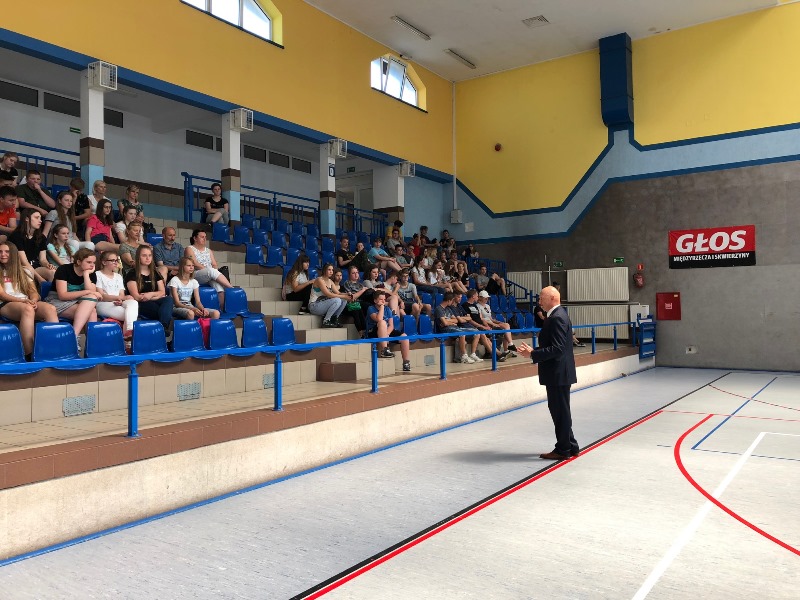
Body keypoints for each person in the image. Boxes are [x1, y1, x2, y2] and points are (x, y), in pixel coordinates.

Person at [517, 286, 579, 460]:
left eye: (541, 298)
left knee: (559, 411)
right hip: (559, 372)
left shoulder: (556, 318)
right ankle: (571, 445)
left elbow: (557, 349)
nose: (539, 302)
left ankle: (563, 449)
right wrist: (534, 352)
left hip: (557, 373)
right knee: (561, 410)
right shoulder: (558, 315)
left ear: (552, 298)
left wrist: (533, 354)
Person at [0, 241, 58, 358]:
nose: (3, 254)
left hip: (26, 302)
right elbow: (2, 295)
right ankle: (28, 354)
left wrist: (34, 300)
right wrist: (23, 301)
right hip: (6, 304)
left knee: (50, 308)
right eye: (0, 252)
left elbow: (33, 292)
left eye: (7, 252)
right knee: (28, 309)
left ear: (13, 254)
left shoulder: (25, 271)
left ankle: (53, 349)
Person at [45, 248, 101, 350]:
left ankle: (75, 336)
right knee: (91, 311)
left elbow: (92, 294)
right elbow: (62, 295)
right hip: (57, 301)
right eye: (89, 262)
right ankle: (92, 345)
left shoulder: (91, 273)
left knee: (92, 308)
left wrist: (86, 275)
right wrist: (86, 292)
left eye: (94, 262)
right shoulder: (64, 270)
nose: (92, 265)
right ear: (79, 262)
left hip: (76, 302)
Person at [125, 245, 174, 331]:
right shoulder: (132, 274)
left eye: (150, 255)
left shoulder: (155, 273)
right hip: (140, 303)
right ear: (138, 257)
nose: (147, 258)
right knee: (162, 310)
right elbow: (137, 297)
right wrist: (156, 296)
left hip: (153, 299)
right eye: (144, 255)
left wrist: (150, 295)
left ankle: (163, 327)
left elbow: (162, 292)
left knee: (169, 299)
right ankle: (163, 328)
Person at [184, 229, 234, 307]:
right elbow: (194, 264)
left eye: (205, 237)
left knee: (220, 289)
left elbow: (214, 264)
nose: (204, 239)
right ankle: (231, 288)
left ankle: (221, 309)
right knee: (211, 271)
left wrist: (214, 273)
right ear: (195, 238)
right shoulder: (189, 249)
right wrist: (209, 270)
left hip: (210, 275)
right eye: (202, 237)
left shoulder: (208, 251)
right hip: (195, 274)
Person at [94, 250, 138, 338]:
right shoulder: (97, 274)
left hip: (118, 301)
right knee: (129, 314)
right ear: (104, 262)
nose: (116, 263)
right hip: (103, 304)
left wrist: (121, 300)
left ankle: (128, 331)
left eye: (116, 260)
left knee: (133, 303)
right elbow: (102, 296)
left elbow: (121, 294)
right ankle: (129, 333)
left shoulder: (118, 276)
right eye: (112, 260)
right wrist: (119, 298)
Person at [366, 290, 411, 371]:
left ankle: (406, 362)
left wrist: (387, 334)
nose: (383, 301)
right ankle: (385, 349)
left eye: (384, 299)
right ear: (375, 300)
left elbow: (391, 325)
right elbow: (379, 319)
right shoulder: (371, 308)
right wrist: (382, 307)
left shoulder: (388, 309)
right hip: (373, 331)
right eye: (381, 299)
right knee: (382, 322)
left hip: (385, 332)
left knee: (404, 337)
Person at [9, 209, 54, 283]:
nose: (40, 221)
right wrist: (40, 278)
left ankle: (49, 290)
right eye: (36, 218)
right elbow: (24, 262)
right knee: (29, 271)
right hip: (20, 267)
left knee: (52, 271)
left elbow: (43, 259)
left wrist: (47, 265)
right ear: (27, 219)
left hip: (35, 266)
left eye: (40, 218)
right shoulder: (16, 236)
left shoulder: (41, 237)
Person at [434, 292, 476, 364]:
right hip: (445, 329)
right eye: (452, 300)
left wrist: (448, 320)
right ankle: (464, 356)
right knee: (462, 334)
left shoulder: (448, 309)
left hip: (454, 327)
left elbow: (456, 320)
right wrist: (449, 321)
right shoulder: (439, 309)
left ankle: (473, 354)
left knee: (475, 331)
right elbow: (445, 323)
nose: (452, 302)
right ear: (449, 300)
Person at [476, 290, 516, 359]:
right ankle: (508, 348)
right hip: (486, 324)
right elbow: (481, 319)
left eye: (487, 298)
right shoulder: (478, 306)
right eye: (485, 298)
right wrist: (493, 324)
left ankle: (510, 345)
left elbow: (491, 318)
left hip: (491, 323)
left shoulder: (487, 306)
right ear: (480, 298)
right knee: (505, 330)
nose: (487, 299)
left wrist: (498, 322)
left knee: (506, 325)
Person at [308, 263, 348, 328]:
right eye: (329, 270)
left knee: (344, 300)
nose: (331, 271)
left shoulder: (330, 281)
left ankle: (334, 319)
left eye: (332, 270)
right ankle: (326, 321)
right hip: (314, 306)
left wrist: (348, 295)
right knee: (337, 300)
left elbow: (338, 293)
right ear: (324, 270)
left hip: (323, 304)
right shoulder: (319, 280)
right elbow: (328, 294)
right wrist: (343, 296)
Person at [550, 282, 585, 347]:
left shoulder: (558, 296)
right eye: (557, 288)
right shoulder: (552, 296)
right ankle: (574, 341)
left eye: (559, 288)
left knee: (570, 327)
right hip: (555, 315)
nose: (558, 289)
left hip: (558, 313)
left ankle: (574, 340)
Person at [340, 265, 369, 335]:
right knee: (357, 309)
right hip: (351, 303)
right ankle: (362, 332)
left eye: (357, 273)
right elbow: (352, 297)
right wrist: (362, 290)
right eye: (353, 273)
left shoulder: (360, 285)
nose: (356, 275)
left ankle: (367, 330)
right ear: (349, 275)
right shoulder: (347, 283)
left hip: (360, 302)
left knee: (368, 306)